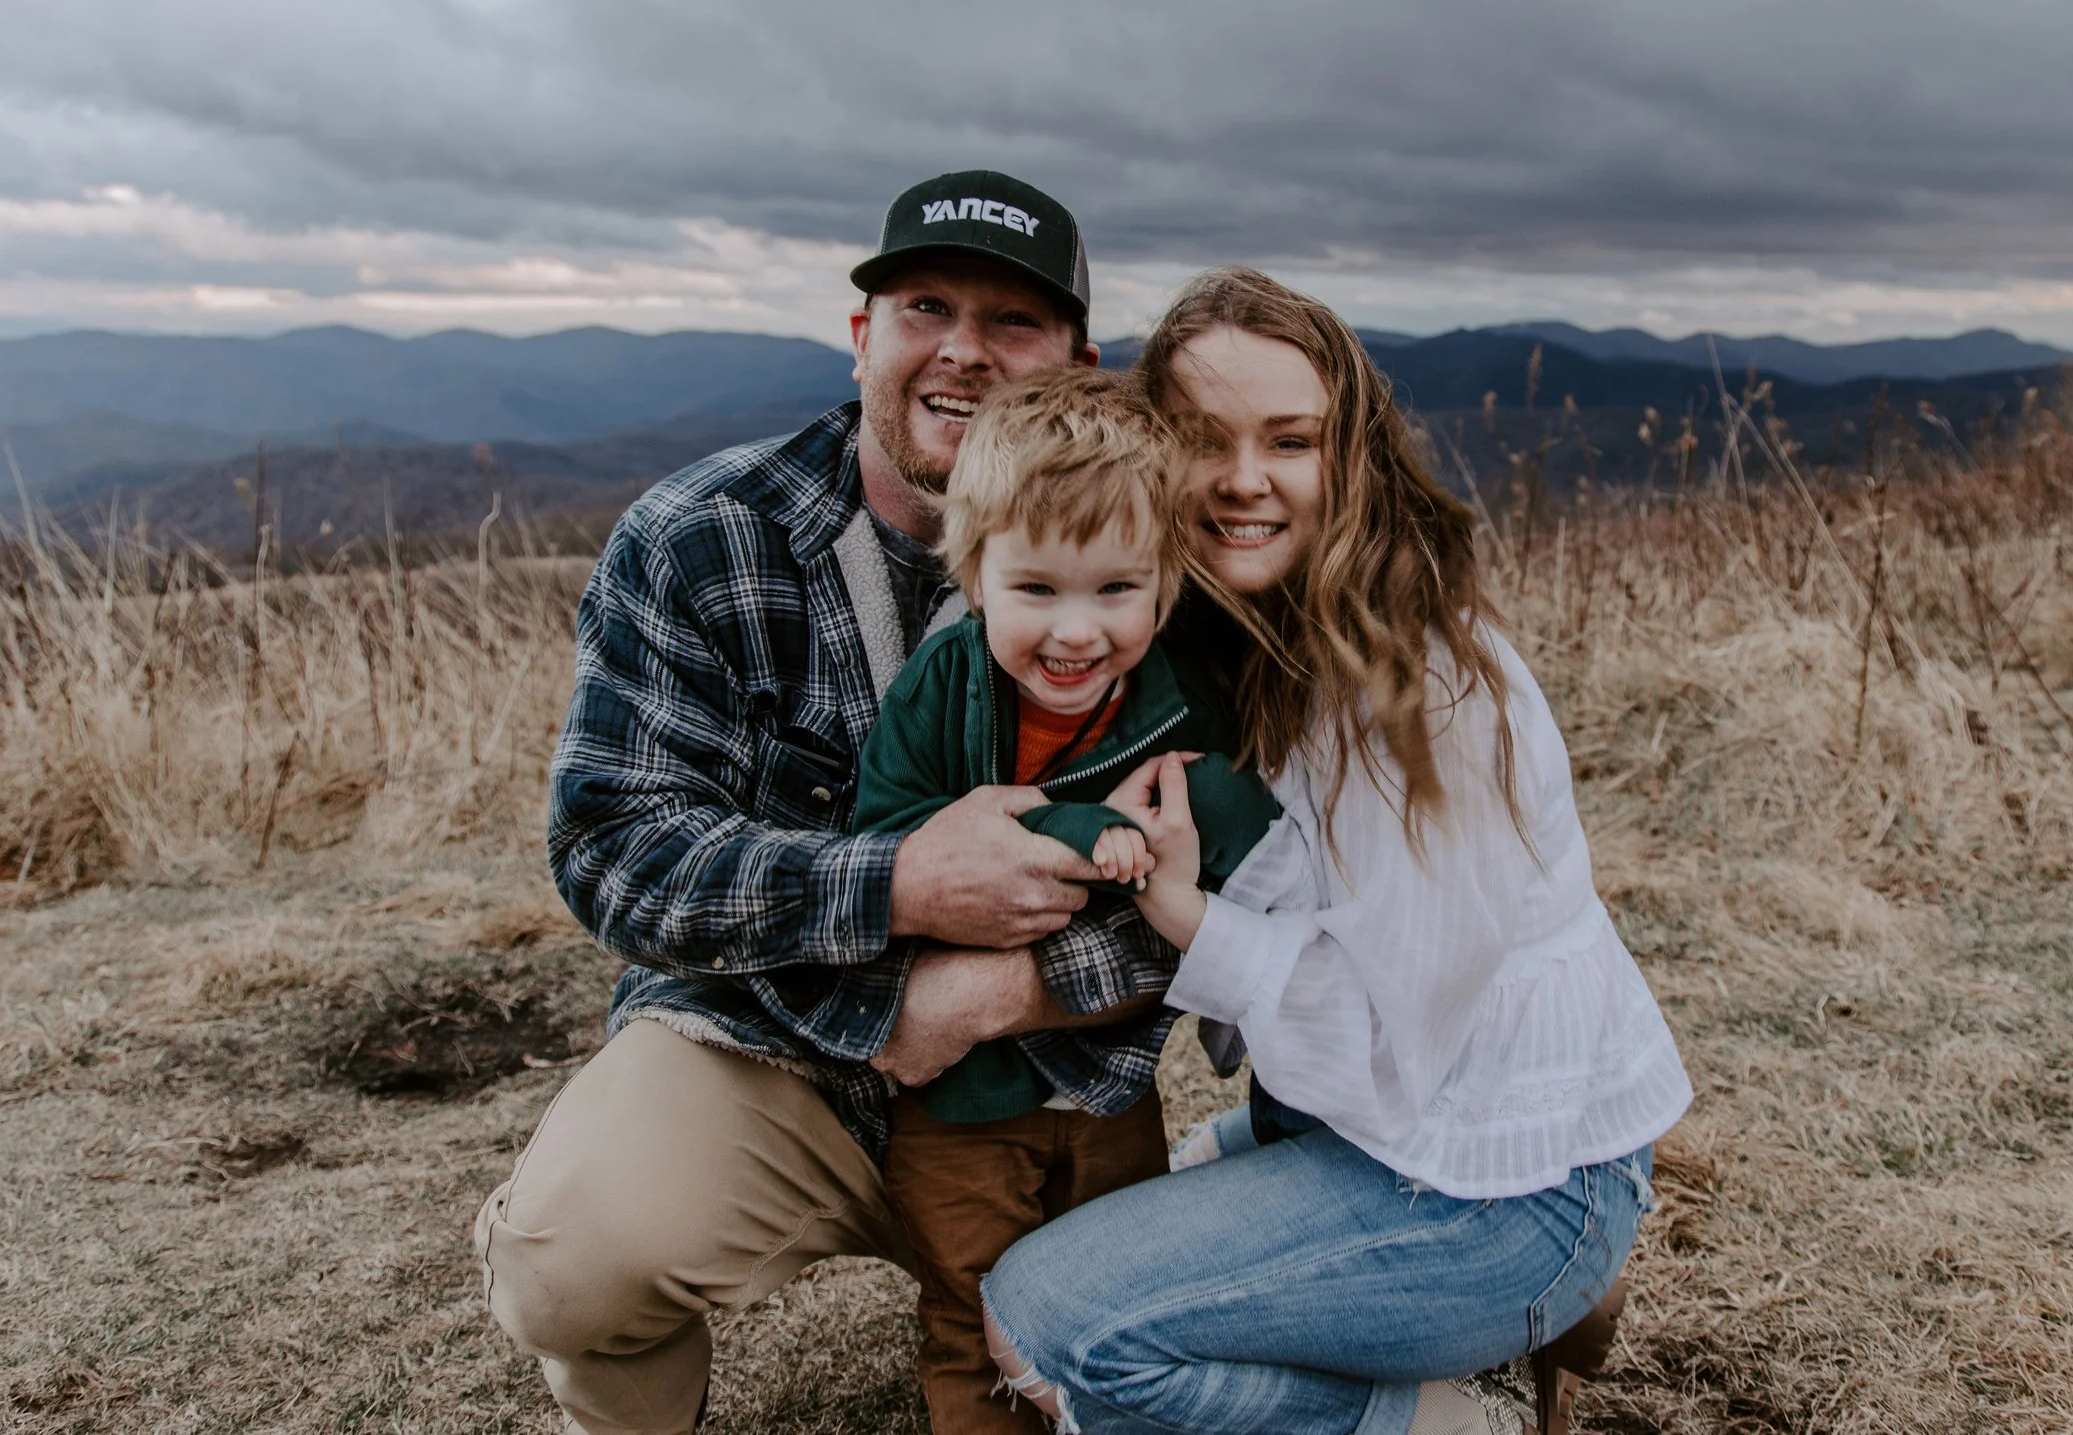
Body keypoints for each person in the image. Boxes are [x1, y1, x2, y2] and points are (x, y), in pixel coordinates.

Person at [474, 170, 1183, 1435]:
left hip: (1055, 1084)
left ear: (1078, 362)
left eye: (1011, 321)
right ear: (864, 338)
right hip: (775, 1056)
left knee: (1124, 1370)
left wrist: (996, 993)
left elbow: (1226, 853)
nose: (963, 349)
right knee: (572, 1259)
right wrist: (898, 887)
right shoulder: (700, 537)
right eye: (925, 305)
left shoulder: (1151, 571)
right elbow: (617, 849)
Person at [980, 268, 1696, 1435]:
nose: (1243, 477)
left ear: (1348, 453)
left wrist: (1184, 918)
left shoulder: (1425, 696)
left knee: (1056, 1319)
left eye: (1290, 439)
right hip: (1379, 1123)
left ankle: (1453, 1420)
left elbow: (1380, 1037)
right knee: (1094, 1258)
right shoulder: (1247, 632)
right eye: (1202, 439)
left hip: (1499, 1181)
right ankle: (1497, 1328)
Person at [851, 366, 1281, 1433]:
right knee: (973, 1304)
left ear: (1164, 582)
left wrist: (1195, 809)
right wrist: (1070, 830)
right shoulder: (941, 687)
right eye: (1036, 589)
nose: (1076, 631)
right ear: (975, 574)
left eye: (1114, 590)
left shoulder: (1185, 693)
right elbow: (880, 838)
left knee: (1113, 1293)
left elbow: (1244, 827)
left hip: (1108, 1080)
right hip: (961, 1104)